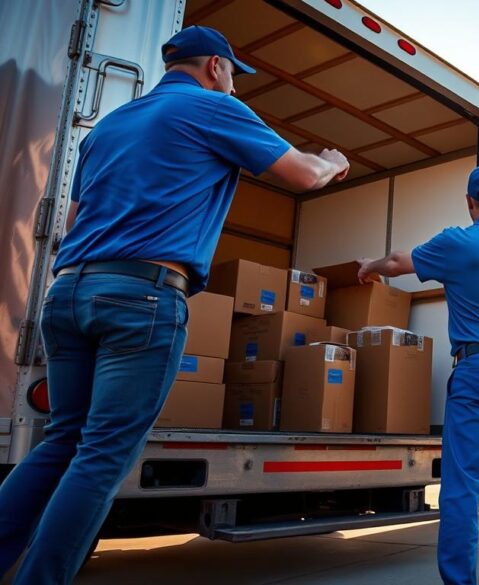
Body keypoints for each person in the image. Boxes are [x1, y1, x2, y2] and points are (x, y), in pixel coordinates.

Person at [0, 26, 350, 585]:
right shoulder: (213, 108)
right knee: (101, 456)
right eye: (233, 73)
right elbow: (303, 175)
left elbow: (71, 223)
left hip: (67, 292)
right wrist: (332, 160)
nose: (234, 86)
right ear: (215, 66)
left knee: (62, 440)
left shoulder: (107, 127)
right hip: (141, 297)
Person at [357, 164, 479, 585]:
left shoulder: (456, 243)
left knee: (463, 485)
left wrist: (369, 265)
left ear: (469, 203)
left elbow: (396, 261)